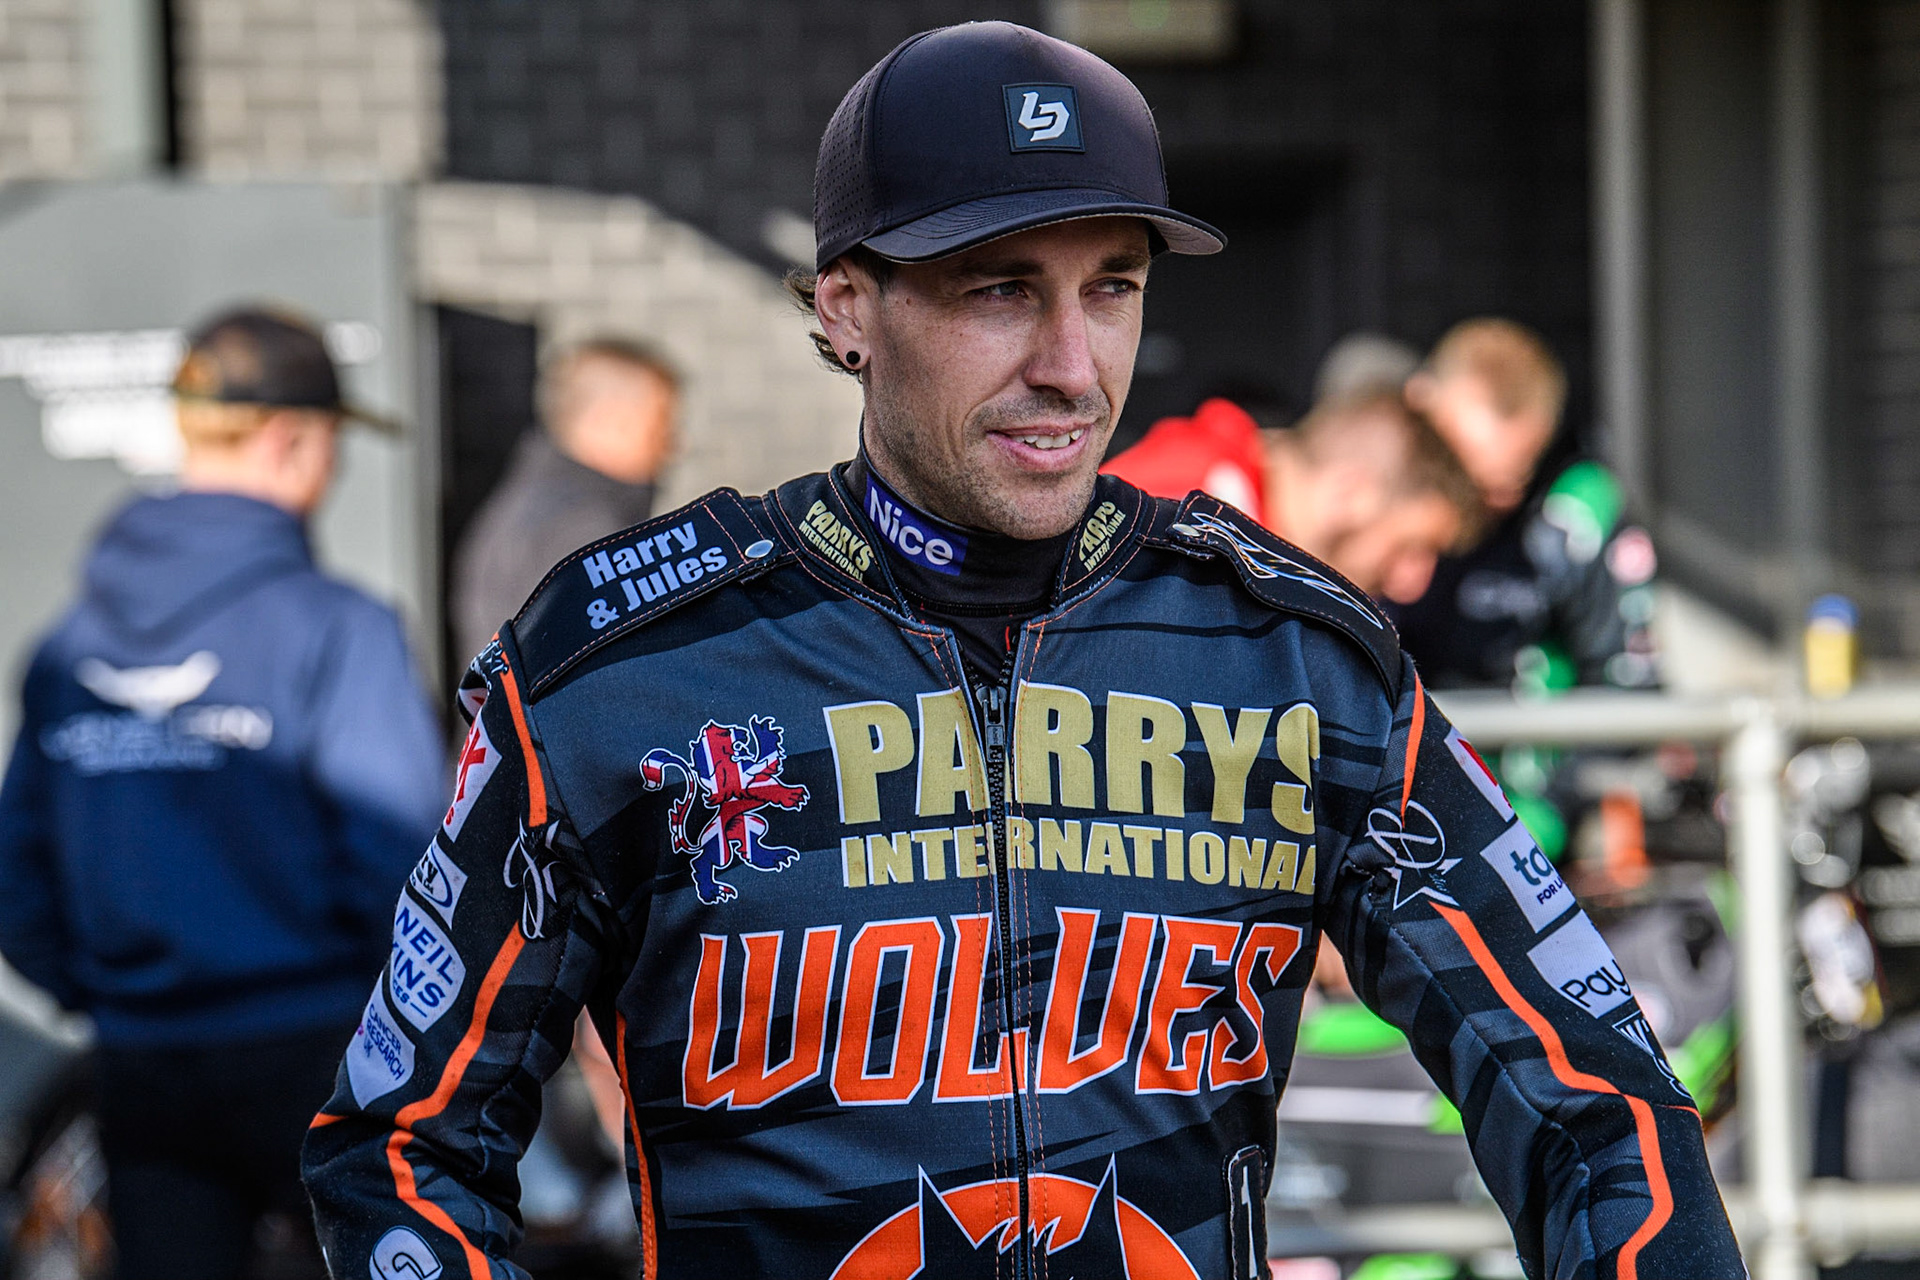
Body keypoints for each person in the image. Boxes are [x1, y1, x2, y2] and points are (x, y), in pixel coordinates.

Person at [303, 22, 1742, 1280]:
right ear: (845, 306)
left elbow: (1597, 1094)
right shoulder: (623, 663)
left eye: (1110, 286)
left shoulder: (1292, 655)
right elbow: (401, 1146)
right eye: (1000, 288)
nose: (1071, 364)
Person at [0, 307, 445, 1278]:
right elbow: (415, 865)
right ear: (292, 438)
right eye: (332, 446)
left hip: (141, 1060)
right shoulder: (338, 627)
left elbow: (17, 883)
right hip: (325, 1050)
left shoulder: (67, 647)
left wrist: (114, 993)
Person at [1394, 317, 1659, 693]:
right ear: (1417, 405)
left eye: (1513, 479)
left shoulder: (1575, 512)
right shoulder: (1376, 486)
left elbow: (1626, 686)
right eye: (1461, 477)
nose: (1485, 504)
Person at [1103, 389, 1482, 605]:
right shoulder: (1189, 507)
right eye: (1410, 547)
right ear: (1348, 492)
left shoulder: (1228, 515)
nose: (1412, 585)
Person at [451, 338, 681, 663]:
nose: (672, 448)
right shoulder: (585, 530)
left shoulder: (535, 504)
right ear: (610, 419)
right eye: (660, 428)